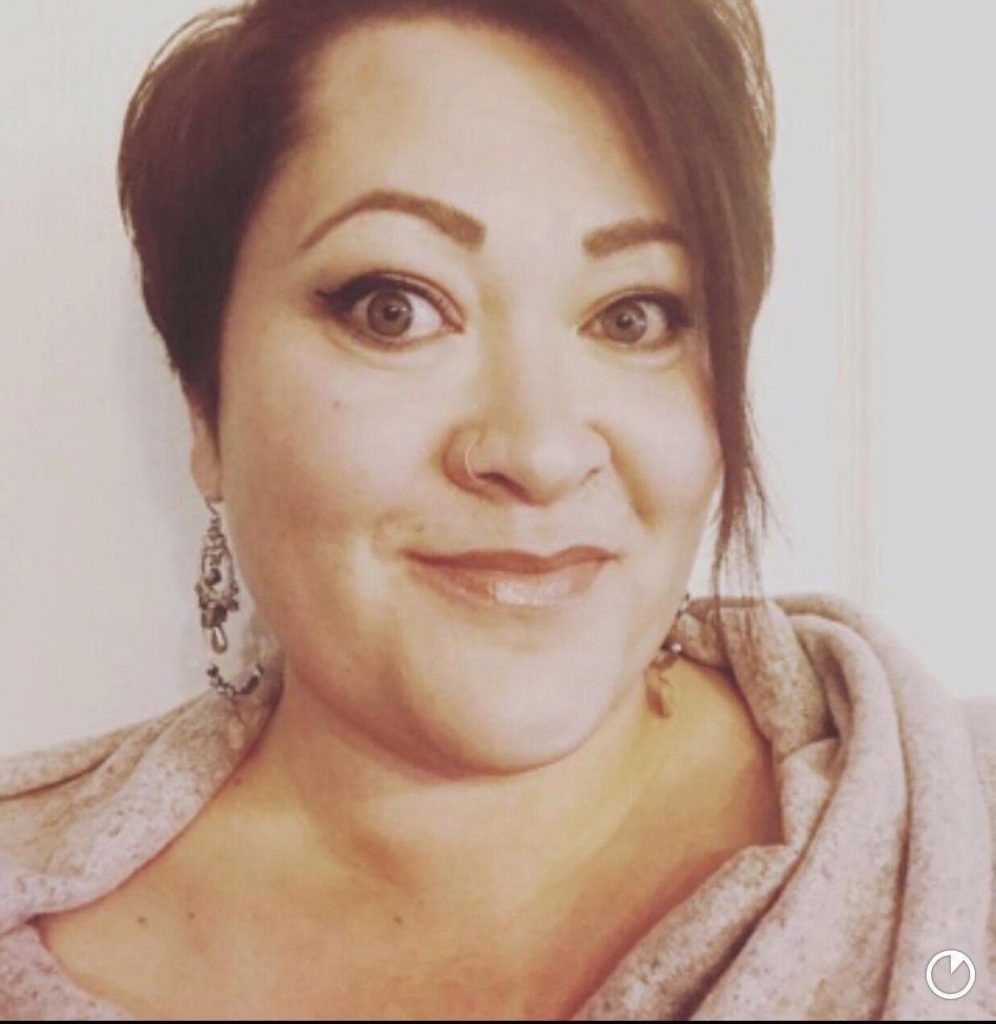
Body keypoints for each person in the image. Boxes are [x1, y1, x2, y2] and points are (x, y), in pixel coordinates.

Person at [0, 0, 993, 1019]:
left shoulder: (963, 826)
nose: (540, 452)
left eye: (632, 316)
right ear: (205, 404)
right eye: (394, 308)